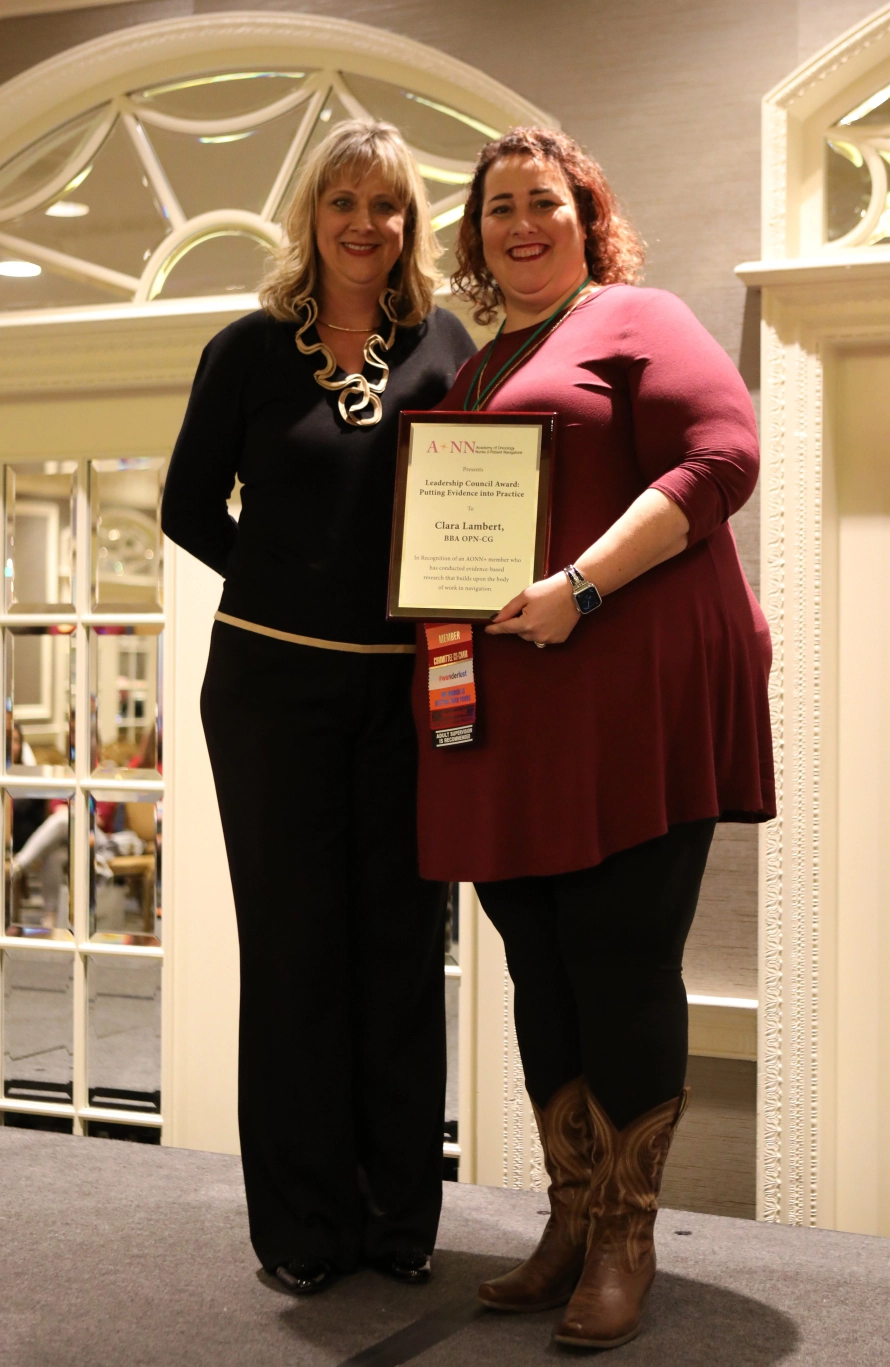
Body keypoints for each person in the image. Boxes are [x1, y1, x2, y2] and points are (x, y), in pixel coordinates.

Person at [413, 128, 775, 1350]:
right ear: (477, 235)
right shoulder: (477, 369)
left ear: (588, 216)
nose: (523, 224)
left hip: (635, 695)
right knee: (541, 963)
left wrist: (582, 583)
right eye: (499, 208)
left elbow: (724, 457)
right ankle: (571, 1215)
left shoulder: (638, 318)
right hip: (512, 717)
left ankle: (626, 1234)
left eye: (545, 202)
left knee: (620, 956)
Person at [161, 120, 475, 1295]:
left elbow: (477, 499)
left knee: (400, 947)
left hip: (404, 689)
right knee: (296, 953)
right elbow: (188, 506)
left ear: (408, 223)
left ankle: (399, 1219)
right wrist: (291, 576)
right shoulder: (247, 349)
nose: (364, 222)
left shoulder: (445, 346)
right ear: (312, 215)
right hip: (271, 687)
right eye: (343, 200)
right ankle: (302, 1225)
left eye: (386, 204)